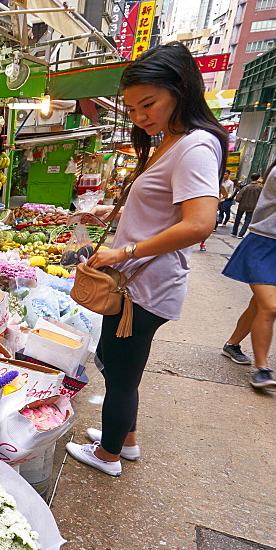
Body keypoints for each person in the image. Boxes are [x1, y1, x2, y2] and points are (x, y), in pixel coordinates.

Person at [65, 42, 226, 477]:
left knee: (120, 373)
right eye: (132, 107)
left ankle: (109, 457)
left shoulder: (194, 146)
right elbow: (160, 209)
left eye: (148, 104)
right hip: (137, 282)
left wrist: (124, 250)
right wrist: (109, 215)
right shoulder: (170, 141)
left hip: (144, 285)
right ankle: (125, 440)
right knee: (120, 365)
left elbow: (198, 224)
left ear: (181, 89)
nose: (139, 116)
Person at [221, 154, 276, 389]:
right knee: (270, 306)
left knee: (259, 304)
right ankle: (262, 369)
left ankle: (232, 344)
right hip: (265, 245)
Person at [232, 173, 262, 238]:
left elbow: (238, 198)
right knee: (247, 220)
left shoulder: (246, 187)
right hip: (252, 206)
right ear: (258, 178)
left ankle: (234, 232)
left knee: (238, 218)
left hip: (242, 205)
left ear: (250, 178)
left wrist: (239, 201)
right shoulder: (260, 188)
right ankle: (241, 234)